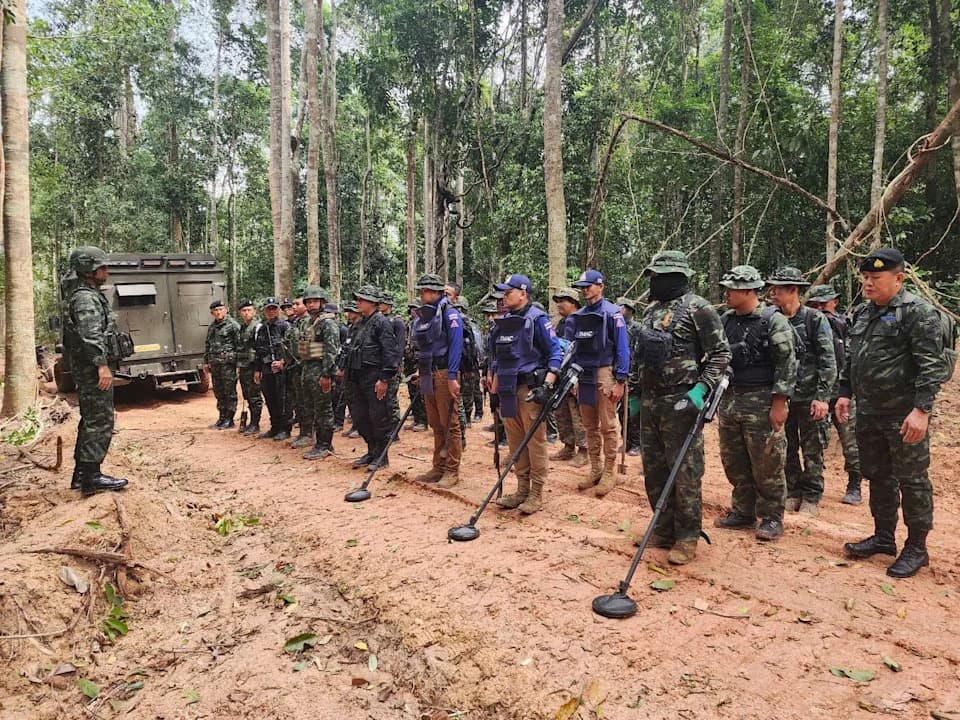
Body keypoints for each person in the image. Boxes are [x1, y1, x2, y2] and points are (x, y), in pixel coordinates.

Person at [837, 248, 949, 578]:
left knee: (912, 480)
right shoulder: (862, 312)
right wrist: (844, 393)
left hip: (903, 415)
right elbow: (853, 358)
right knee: (878, 475)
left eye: (876, 278)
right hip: (869, 412)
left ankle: (916, 547)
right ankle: (884, 537)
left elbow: (932, 366)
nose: (868, 283)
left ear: (898, 278)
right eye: (865, 278)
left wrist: (921, 410)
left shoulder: (918, 312)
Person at [636, 251, 731, 565]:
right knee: (654, 468)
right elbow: (645, 355)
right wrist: (637, 394)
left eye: (657, 276)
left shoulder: (698, 309)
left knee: (685, 472)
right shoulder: (651, 311)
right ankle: (662, 529)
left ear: (675, 277)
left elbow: (720, 354)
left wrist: (701, 389)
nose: (653, 281)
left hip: (682, 400)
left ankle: (687, 535)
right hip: (651, 401)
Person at [715, 266, 796, 542]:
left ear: (749, 291)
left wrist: (780, 402)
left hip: (762, 400)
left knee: (767, 462)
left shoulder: (773, 320)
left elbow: (787, 363)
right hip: (730, 399)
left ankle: (772, 517)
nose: (726, 293)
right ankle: (743, 511)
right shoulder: (725, 320)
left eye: (732, 289)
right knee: (734, 459)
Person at [488, 274, 563, 513]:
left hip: (529, 389)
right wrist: (493, 378)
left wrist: (548, 383)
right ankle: (521, 488)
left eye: (509, 292)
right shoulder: (504, 321)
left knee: (535, 442)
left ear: (523, 293)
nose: (505, 296)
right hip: (508, 388)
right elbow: (497, 355)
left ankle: (537, 492)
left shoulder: (538, 319)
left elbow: (555, 352)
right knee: (515, 441)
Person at [766, 267, 837, 517]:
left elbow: (828, 360)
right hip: (783, 397)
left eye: (778, 289)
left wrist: (822, 397)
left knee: (812, 448)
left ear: (793, 290)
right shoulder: (771, 319)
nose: (772, 293)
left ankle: (812, 495)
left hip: (809, 397)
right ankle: (793, 491)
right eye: (772, 288)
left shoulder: (814, 320)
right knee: (786, 447)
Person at [63, 246, 129, 495]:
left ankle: (82, 475)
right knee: (100, 420)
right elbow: (90, 336)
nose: (106, 270)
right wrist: (102, 365)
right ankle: (92, 477)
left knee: (91, 419)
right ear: (88, 270)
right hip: (92, 369)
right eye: (102, 266)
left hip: (89, 367)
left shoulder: (88, 294)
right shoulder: (85, 298)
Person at [567, 269, 631, 497]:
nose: (586, 290)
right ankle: (595, 468)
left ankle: (609, 471)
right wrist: (573, 377)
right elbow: (574, 348)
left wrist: (620, 380)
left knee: (608, 424)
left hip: (605, 372)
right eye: (582, 287)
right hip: (583, 373)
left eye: (589, 286)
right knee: (589, 425)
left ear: (600, 285)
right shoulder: (579, 316)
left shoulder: (613, 314)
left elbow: (623, 348)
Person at [807, 284, 862, 504]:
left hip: (842, 392)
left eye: (824, 304)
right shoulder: (807, 324)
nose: (821, 309)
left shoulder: (845, 325)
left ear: (835, 302)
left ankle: (855, 484)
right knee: (814, 442)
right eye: (815, 305)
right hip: (816, 391)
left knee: (851, 441)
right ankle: (811, 487)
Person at [413, 273, 464, 487]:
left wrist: (452, 375)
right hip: (428, 371)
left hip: (444, 372)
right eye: (422, 291)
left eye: (426, 291)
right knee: (435, 423)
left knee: (449, 423)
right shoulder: (424, 315)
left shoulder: (450, 314)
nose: (423, 295)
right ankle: (438, 466)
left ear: (436, 292)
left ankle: (452, 469)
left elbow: (455, 346)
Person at [345, 285, 402, 470]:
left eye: (362, 300)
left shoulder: (381, 322)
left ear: (372, 303)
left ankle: (381, 456)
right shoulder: (360, 323)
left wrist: (384, 378)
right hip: (358, 376)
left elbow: (389, 351)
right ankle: (371, 451)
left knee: (378, 417)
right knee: (361, 417)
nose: (358, 303)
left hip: (374, 376)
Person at [299, 286, 341, 460]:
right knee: (311, 408)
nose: (311, 305)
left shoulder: (328, 323)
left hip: (321, 371)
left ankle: (325, 444)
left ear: (322, 302)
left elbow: (331, 351)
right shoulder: (307, 322)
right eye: (308, 302)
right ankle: (318, 441)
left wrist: (326, 375)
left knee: (324, 409)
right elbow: (304, 347)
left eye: (315, 301)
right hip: (308, 369)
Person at [550, 287, 588, 467]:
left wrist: (579, 377)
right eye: (557, 301)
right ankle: (568, 445)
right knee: (561, 411)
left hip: (576, 373)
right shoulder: (561, 323)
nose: (558, 305)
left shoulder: (581, 320)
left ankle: (584, 450)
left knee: (577, 412)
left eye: (562, 301)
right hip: (561, 373)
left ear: (573, 303)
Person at [253, 297, 292, 440]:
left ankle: (285, 428)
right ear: (264, 311)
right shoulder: (262, 329)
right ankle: (274, 427)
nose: (271, 312)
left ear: (278, 310)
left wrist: (283, 362)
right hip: (266, 368)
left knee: (282, 399)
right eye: (268, 309)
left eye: (274, 308)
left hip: (281, 369)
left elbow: (292, 348)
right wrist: (257, 370)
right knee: (270, 399)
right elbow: (258, 350)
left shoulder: (285, 326)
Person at [203, 300, 241, 429]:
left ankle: (229, 419)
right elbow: (207, 345)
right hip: (215, 364)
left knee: (229, 391)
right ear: (212, 313)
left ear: (226, 310)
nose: (218, 312)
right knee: (218, 391)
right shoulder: (212, 327)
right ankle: (222, 416)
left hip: (228, 365)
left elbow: (239, 345)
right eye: (216, 310)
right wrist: (206, 362)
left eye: (221, 309)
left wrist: (238, 363)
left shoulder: (233, 325)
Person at [617, 296, 643, 456]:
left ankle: (637, 443)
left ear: (630, 311)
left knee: (634, 411)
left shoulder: (638, 329)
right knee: (621, 412)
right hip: (621, 374)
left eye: (623, 308)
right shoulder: (616, 328)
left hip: (635, 375)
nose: (620, 310)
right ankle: (626, 440)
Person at [378, 292, 407, 430]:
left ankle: (395, 428)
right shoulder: (378, 320)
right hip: (380, 364)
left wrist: (396, 365)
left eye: (382, 303)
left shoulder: (397, 321)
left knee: (391, 399)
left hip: (392, 364)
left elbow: (400, 346)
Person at [236, 299, 264, 435]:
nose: (246, 313)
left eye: (249, 310)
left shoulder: (258, 327)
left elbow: (259, 349)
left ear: (254, 311)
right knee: (247, 395)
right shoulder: (242, 328)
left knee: (254, 395)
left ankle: (255, 423)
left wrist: (258, 368)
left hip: (254, 366)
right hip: (244, 366)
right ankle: (251, 423)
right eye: (244, 311)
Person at [404, 300, 429, 431]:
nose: (413, 310)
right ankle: (417, 418)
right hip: (409, 360)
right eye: (411, 308)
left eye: (415, 308)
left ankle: (423, 421)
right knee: (412, 391)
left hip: (419, 360)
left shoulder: (424, 324)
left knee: (421, 392)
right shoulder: (410, 323)